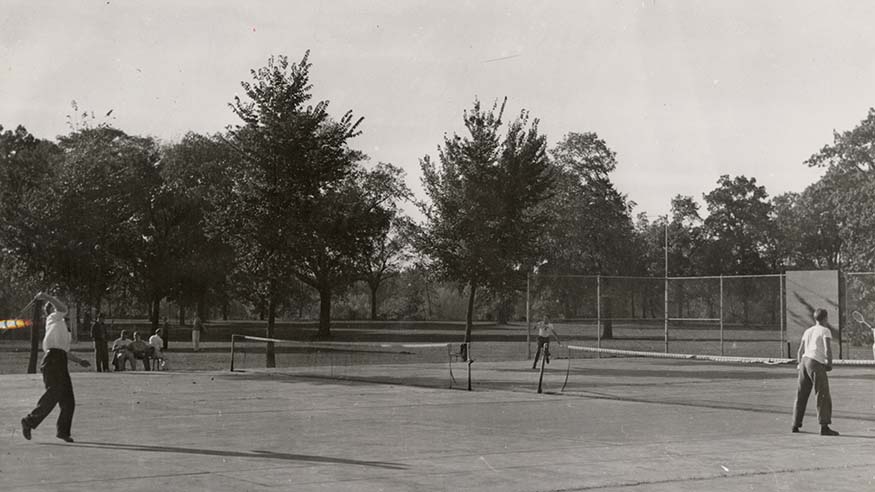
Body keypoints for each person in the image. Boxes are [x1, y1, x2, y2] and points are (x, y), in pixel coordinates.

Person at [21, 292, 90, 443]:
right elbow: (62, 308)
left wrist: (79, 361)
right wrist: (46, 296)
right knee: (54, 394)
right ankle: (29, 421)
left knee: (68, 401)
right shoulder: (53, 317)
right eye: (56, 304)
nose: (62, 305)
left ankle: (63, 432)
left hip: (59, 360)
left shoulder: (61, 325)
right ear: (51, 309)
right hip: (52, 361)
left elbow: (64, 351)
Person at [792, 308, 839, 436]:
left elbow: (799, 351)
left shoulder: (808, 331)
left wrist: (799, 365)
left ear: (815, 318)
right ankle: (824, 427)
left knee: (801, 394)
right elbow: (828, 349)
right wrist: (829, 364)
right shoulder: (825, 330)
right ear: (825, 318)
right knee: (822, 394)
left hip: (804, 362)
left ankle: (795, 424)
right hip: (815, 363)